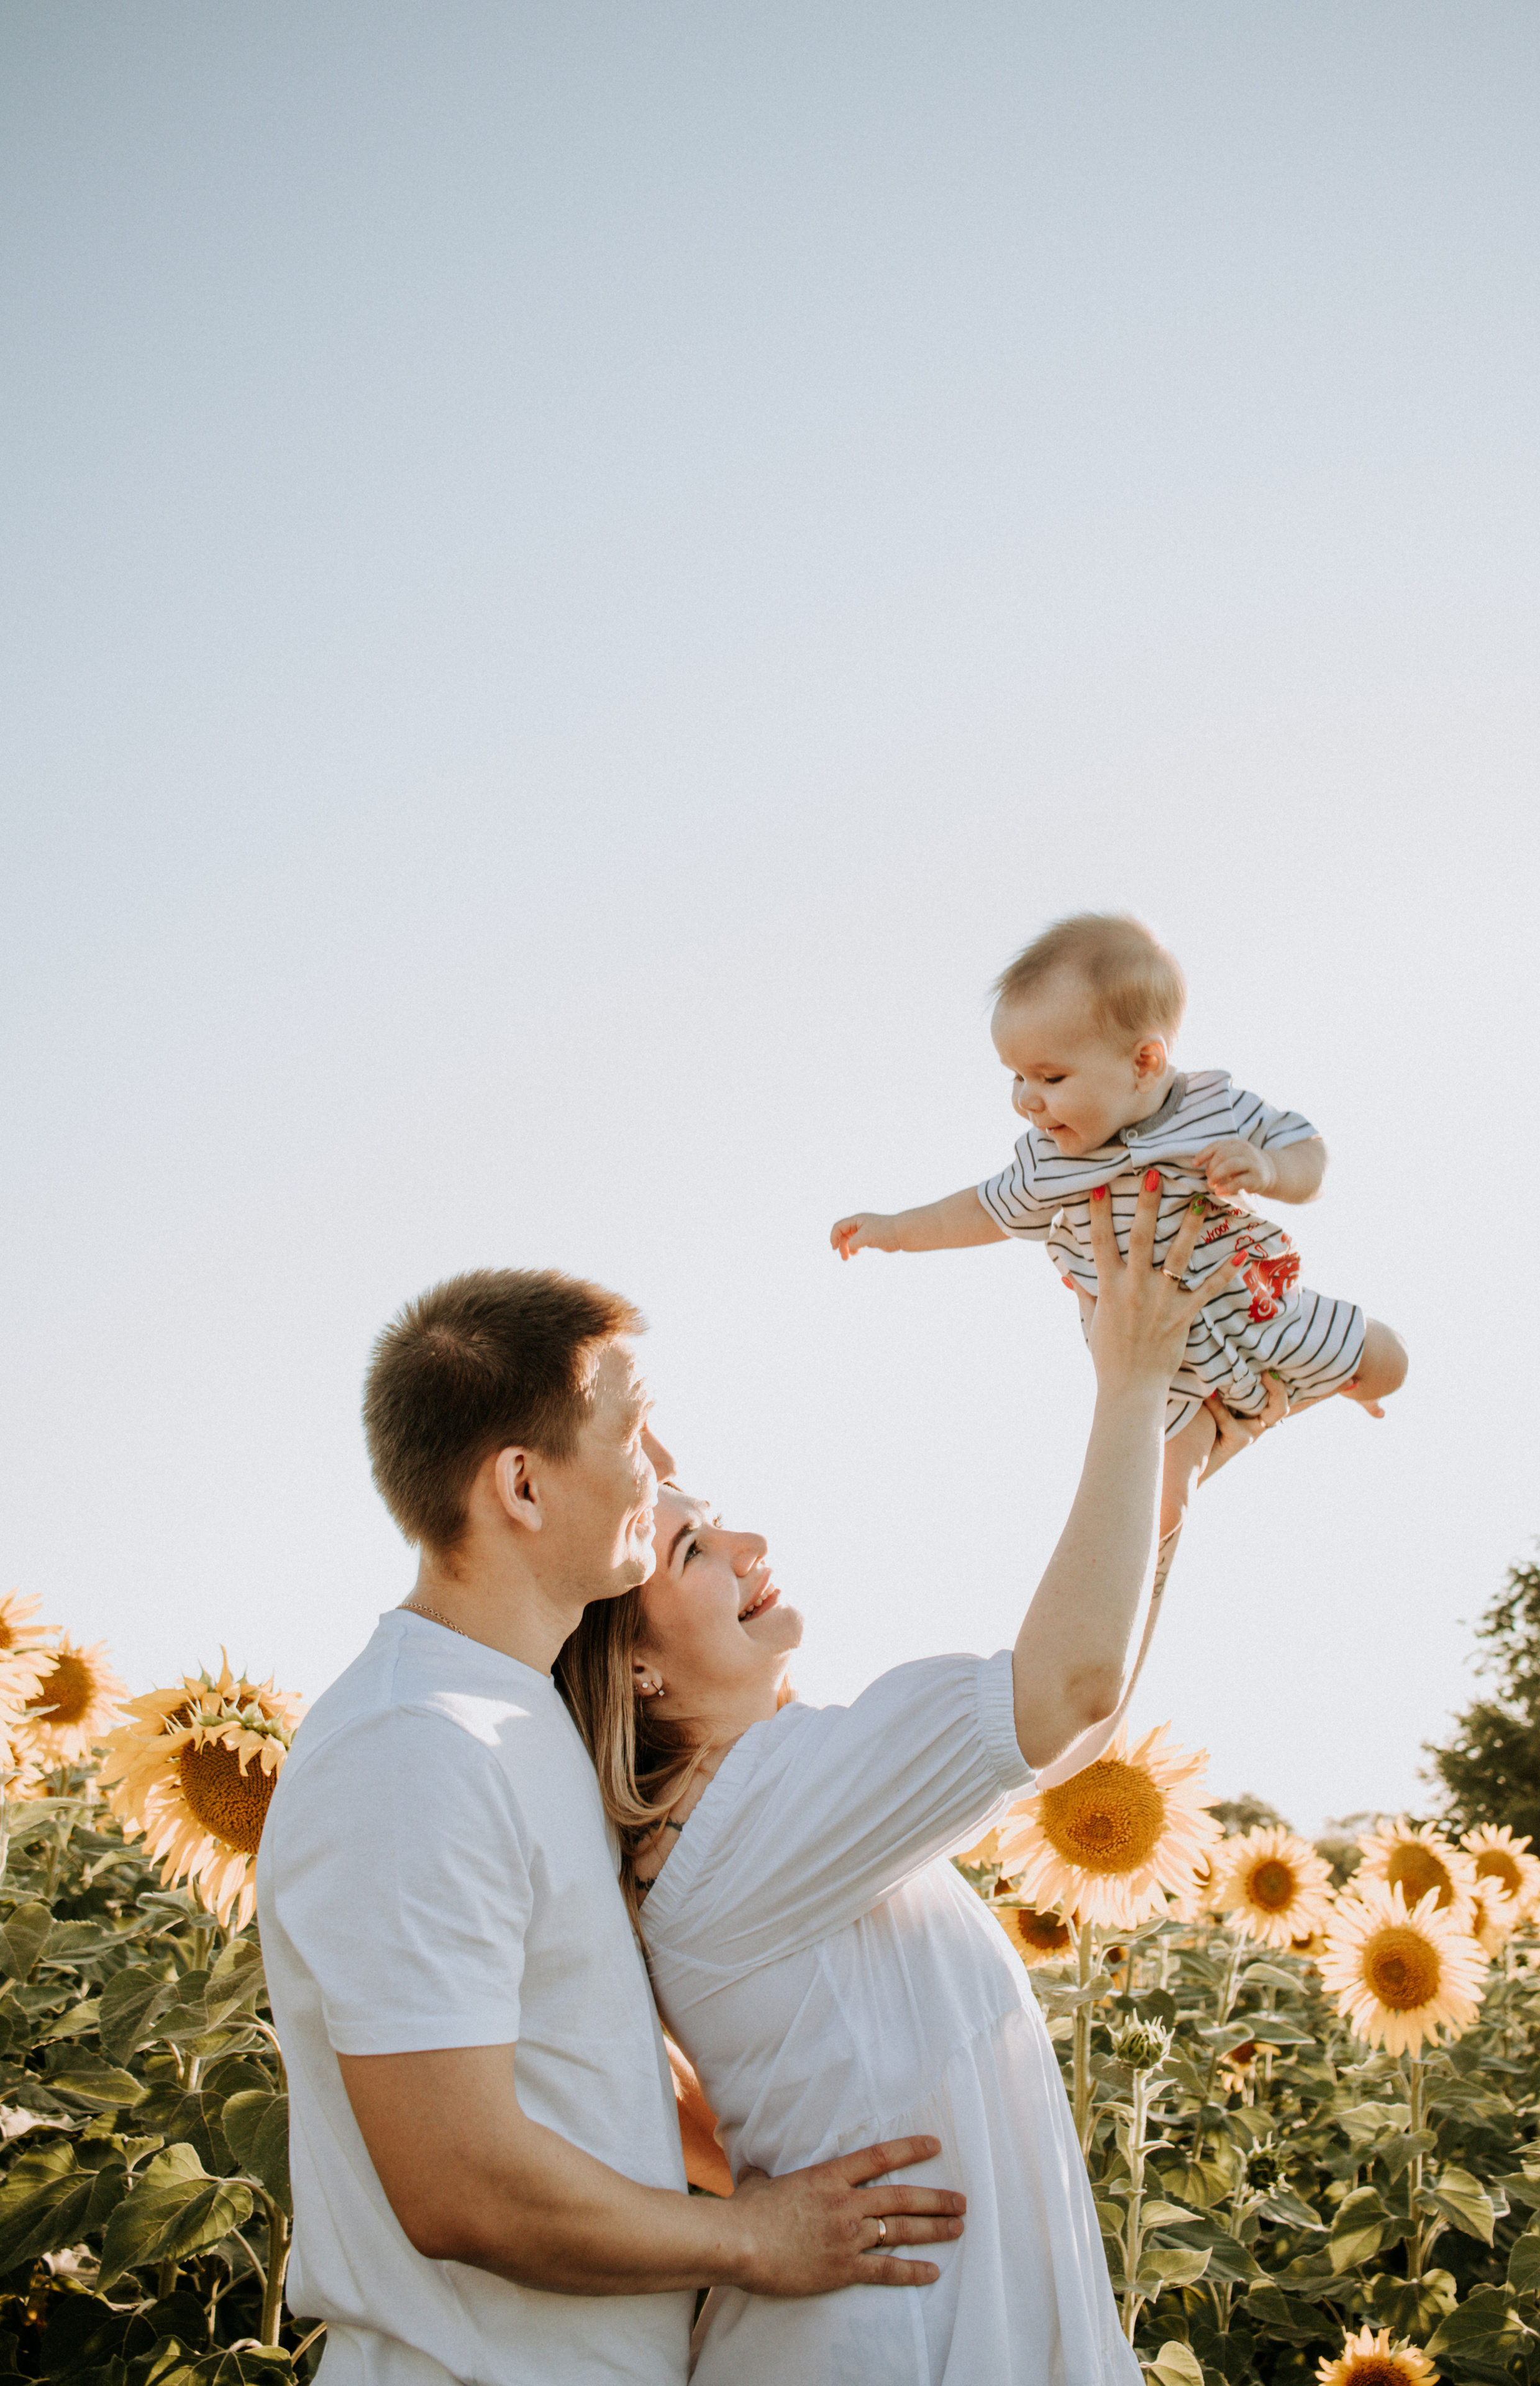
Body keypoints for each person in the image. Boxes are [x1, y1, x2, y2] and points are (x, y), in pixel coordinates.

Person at [558, 1175, 1252, 2385]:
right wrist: (1127, 1385)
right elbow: (1062, 1694)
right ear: (639, 1677)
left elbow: (1067, 1729)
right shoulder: (750, 1822)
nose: (746, 1547)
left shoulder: (762, 1816)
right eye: (687, 1549)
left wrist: (1171, 1482)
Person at [255, 1267, 966, 2386]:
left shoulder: (511, 1718)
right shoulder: (412, 1748)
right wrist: (755, 2241)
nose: (668, 1469)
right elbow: (460, 2184)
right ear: (524, 1489)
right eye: (634, 1430)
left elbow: (583, 2072)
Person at [829, 909, 1407, 1565]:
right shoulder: (1049, 1163)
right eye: (1015, 1076)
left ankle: (1316, 1387)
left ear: (1143, 1061)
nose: (1026, 1100)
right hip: (1165, 1368)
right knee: (1163, 1506)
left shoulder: (1216, 1110)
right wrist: (895, 1231)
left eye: (1050, 1078)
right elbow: (976, 1211)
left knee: (1391, 1362)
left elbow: (1310, 1153)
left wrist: (1271, 1169)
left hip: (1262, 1310)